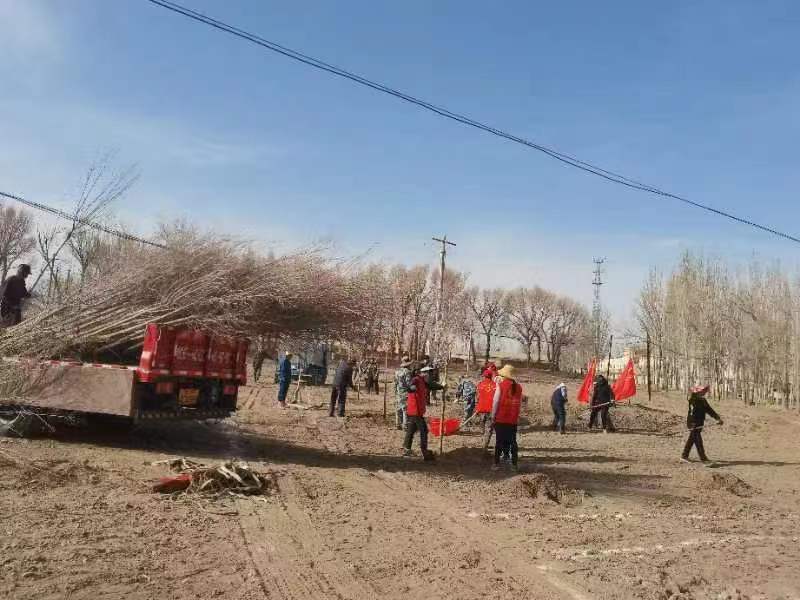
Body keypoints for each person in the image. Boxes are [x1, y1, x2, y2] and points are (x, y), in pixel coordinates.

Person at [491, 364, 523, 471]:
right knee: (513, 442)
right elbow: (519, 403)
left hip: (501, 418)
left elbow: (496, 401)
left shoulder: (501, 385)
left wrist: (493, 415)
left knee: (499, 441)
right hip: (513, 419)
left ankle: (496, 464)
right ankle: (514, 465)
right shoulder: (519, 387)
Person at [682, 385, 723, 463]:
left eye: (705, 391)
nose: (704, 392)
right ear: (698, 392)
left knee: (692, 439)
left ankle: (684, 456)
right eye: (703, 391)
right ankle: (704, 459)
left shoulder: (703, 400)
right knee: (698, 441)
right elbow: (692, 413)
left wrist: (717, 418)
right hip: (693, 423)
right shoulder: (693, 400)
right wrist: (692, 424)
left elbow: (709, 410)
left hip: (699, 423)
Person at [403, 366, 436, 461]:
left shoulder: (422, 381)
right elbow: (410, 386)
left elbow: (431, 385)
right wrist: (411, 388)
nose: (430, 375)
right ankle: (424, 451)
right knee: (424, 430)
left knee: (411, 430)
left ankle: (406, 449)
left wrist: (441, 386)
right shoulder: (416, 380)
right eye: (429, 373)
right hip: (415, 411)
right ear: (424, 372)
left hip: (417, 411)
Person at [476, 367, 497, 450]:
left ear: (483, 376)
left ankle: (483, 443)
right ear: (491, 376)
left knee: (483, 426)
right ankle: (485, 446)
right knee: (489, 428)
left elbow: (477, 398)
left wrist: (477, 408)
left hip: (481, 409)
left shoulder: (480, 384)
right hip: (490, 410)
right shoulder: (495, 386)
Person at [394, 356, 415, 430]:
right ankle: (405, 425)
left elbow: (395, 383)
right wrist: (414, 388)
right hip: (405, 392)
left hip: (398, 392)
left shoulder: (397, 372)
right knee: (405, 409)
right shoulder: (407, 372)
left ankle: (397, 424)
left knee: (398, 408)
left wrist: (395, 392)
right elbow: (409, 383)